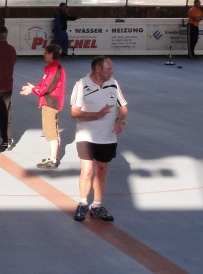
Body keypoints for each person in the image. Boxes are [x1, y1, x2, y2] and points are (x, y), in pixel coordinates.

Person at [69, 56, 127, 222]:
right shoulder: (81, 85)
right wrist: (97, 114)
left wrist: (119, 119)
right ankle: (82, 203)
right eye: (109, 69)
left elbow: (123, 107)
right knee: (87, 171)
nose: (112, 72)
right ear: (98, 69)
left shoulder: (113, 83)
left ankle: (97, 205)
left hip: (107, 137)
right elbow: (74, 112)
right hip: (86, 136)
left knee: (102, 169)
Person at [20, 43, 66, 169]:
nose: (44, 55)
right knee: (53, 130)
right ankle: (54, 157)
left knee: (50, 131)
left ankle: (52, 159)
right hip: (51, 102)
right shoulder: (53, 68)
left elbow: (47, 86)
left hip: (50, 103)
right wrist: (34, 88)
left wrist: (33, 90)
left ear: (51, 54)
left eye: (46, 52)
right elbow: (44, 84)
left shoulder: (54, 68)